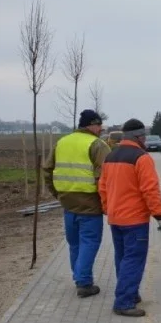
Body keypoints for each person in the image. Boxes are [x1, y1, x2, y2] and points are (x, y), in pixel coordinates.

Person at [98, 118, 161, 317]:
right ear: (138, 136)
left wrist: (107, 208)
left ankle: (131, 293)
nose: (145, 139)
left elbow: (102, 187)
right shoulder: (141, 158)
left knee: (123, 258)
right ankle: (124, 302)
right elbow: (150, 190)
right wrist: (159, 215)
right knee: (133, 260)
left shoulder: (111, 157)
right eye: (143, 135)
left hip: (116, 218)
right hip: (135, 220)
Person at [43, 109, 110, 298]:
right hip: (90, 203)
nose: (101, 128)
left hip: (68, 203)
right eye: (99, 125)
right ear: (91, 125)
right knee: (89, 242)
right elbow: (104, 178)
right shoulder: (98, 145)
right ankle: (84, 283)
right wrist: (106, 203)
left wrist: (58, 194)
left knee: (75, 244)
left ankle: (79, 276)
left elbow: (47, 170)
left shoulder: (62, 142)